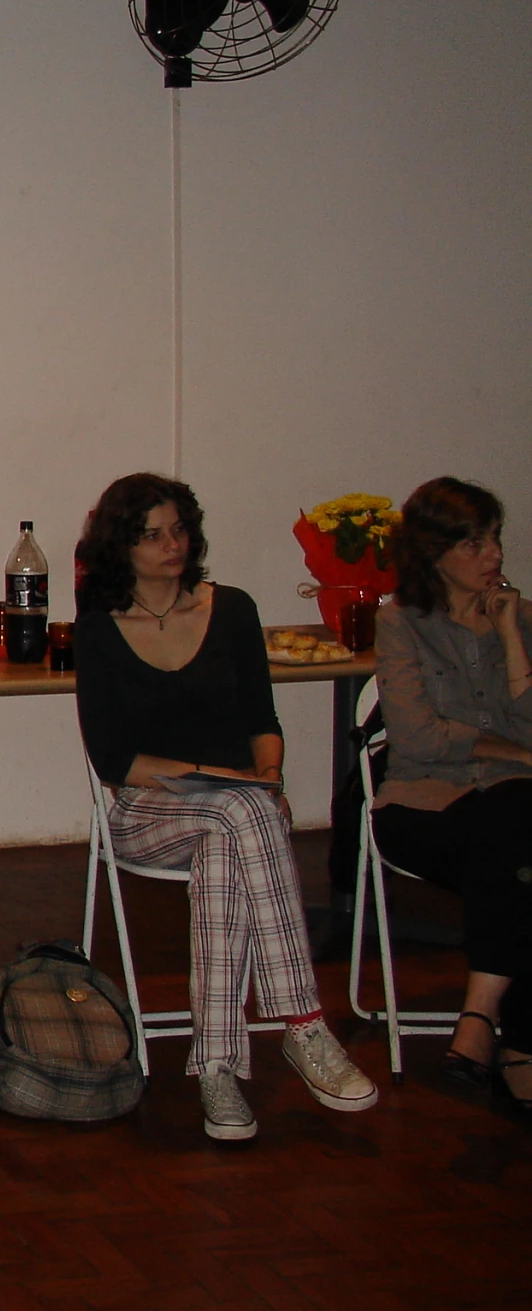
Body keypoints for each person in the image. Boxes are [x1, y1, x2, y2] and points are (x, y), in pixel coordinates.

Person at [73, 472, 379, 1142]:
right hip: (146, 814)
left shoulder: (231, 609)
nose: (171, 545)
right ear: (121, 546)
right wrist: (223, 779)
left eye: (179, 528)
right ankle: (304, 1025)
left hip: (233, 813)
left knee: (233, 839)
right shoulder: (98, 630)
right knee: (246, 814)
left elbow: (263, 719)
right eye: (152, 535)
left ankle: (216, 1070)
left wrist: (266, 774)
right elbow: (115, 762)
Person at [369, 476, 532, 1108]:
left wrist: (513, 635)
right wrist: (511, 748)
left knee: (517, 839)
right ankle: (517, 1045)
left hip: (509, 812)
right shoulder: (401, 622)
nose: (492, 555)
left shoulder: (521, 618)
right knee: (517, 831)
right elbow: (416, 740)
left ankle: (482, 1020)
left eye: (494, 538)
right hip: (424, 803)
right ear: (435, 553)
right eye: (473, 542)